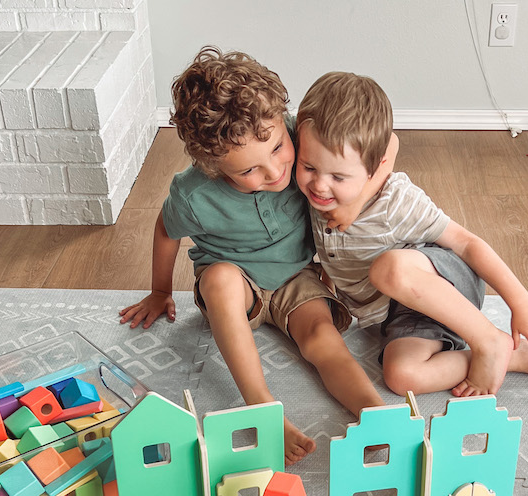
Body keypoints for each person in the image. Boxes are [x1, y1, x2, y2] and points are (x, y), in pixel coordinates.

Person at [119, 48, 391, 464]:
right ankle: (263, 407)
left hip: (298, 275)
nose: (273, 171)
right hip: (237, 280)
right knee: (220, 281)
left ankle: (375, 412)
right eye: (248, 171)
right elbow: (164, 228)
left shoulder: (301, 131)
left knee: (323, 338)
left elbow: (388, 142)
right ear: (214, 169)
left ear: (283, 122)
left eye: (278, 148)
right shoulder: (194, 193)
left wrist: (352, 206)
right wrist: (159, 292)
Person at [294, 72, 528, 399]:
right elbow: (388, 143)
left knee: (390, 268)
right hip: (399, 311)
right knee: (402, 377)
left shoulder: (395, 202)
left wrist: (521, 304)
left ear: (376, 168)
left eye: (338, 177)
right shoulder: (315, 159)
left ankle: (487, 339)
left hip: (444, 280)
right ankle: (512, 357)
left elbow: (467, 244)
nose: (319, 185)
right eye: (309, 168)